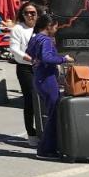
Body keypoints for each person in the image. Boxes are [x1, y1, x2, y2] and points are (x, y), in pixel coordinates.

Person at [28, 11, 74, 158]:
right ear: (49, 26)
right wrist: (63, 59)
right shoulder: (46, 40)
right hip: (47, 79)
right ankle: (46, 149)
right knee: (53, 114)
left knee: (51, 112)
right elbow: (47, 57)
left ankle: (48, 148)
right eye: (55, 27)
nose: (56, 30)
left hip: (39, 78)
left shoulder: (35, 38)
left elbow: (30, 53)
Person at [9, 2, 39, 146]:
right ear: (22, 14)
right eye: (27, 12)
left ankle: (43, 129)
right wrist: (28, 58)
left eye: (33, 13)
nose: (30, 15)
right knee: (30, 99)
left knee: (44, 98)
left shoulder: (41, 28)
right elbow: (14, 49)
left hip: (41, 67)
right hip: (25, 68)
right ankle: (31, 133)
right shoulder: (18, 29)